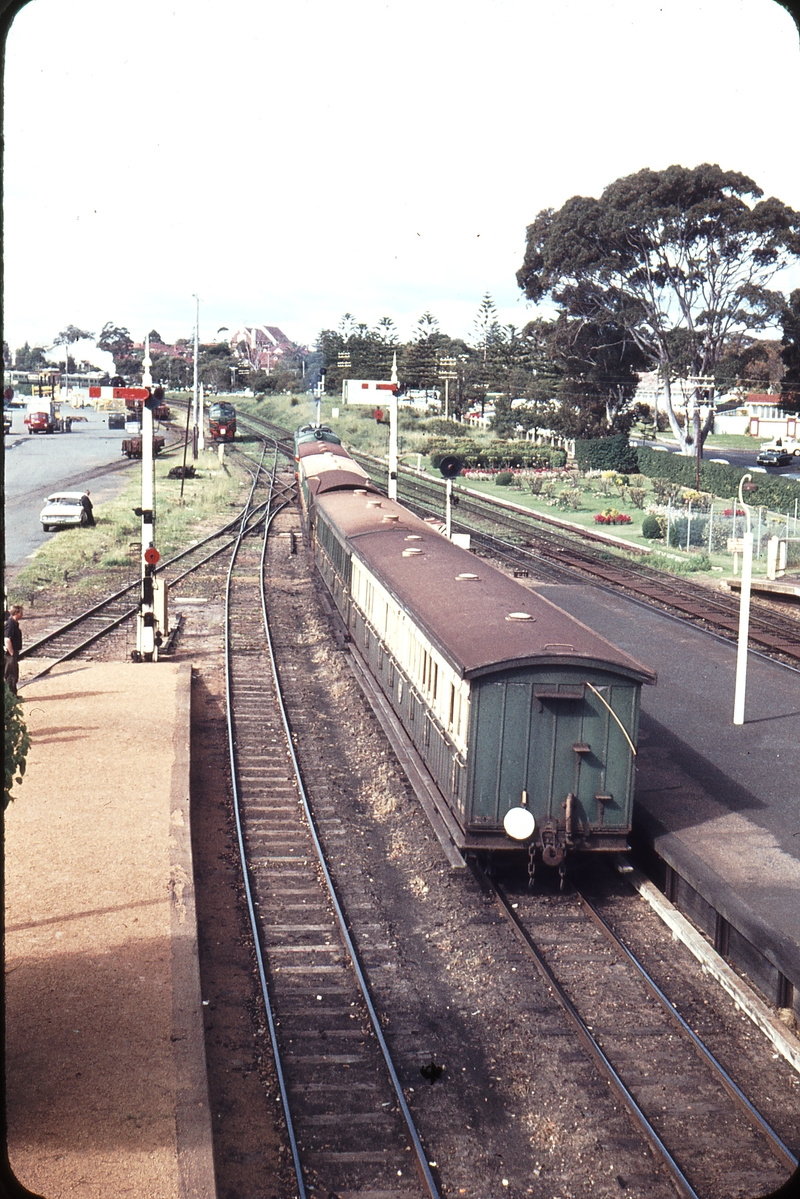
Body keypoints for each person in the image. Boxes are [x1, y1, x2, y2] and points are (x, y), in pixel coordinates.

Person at [4, 604, 23, 695]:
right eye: (20, 612)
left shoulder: (14, 623)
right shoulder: (10, 624)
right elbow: (7, 639)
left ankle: (14, 694)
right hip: (9, 654)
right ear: (16, 613)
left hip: (13, 652)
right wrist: (11, 653)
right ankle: (11, 696)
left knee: (14, 673)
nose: (22, 614)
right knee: (10, 675)